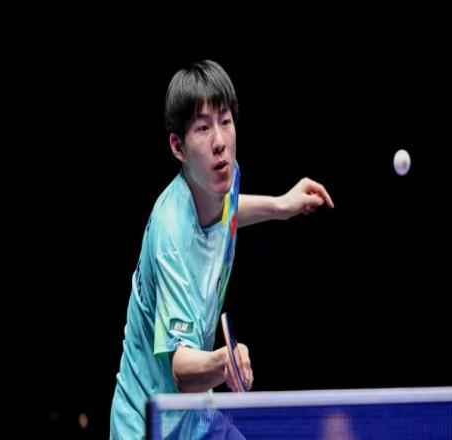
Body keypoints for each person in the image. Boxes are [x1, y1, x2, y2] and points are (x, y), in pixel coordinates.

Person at [110, 59, 334, 439]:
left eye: (225, 121)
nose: (220, 141)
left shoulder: (223, 177)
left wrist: (281, 205)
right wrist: (223, 362)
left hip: (196, 416)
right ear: (178, 147)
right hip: (151, 423)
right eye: (203, 127)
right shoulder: (171, 235)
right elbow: (181, 371)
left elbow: (224, 215)